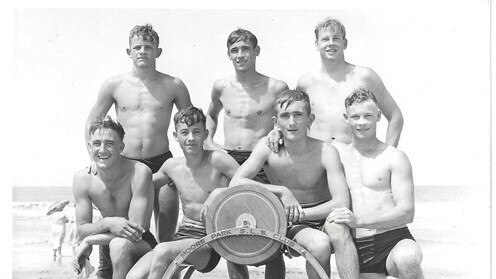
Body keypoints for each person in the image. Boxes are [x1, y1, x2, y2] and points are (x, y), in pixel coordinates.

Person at [230, 89, 360, 279]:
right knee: (320, 244)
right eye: (285, 116)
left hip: (321, 215)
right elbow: (236, 182)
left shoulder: (326, 151)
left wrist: (301, 214)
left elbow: (341, 202)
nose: (292, 122)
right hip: (290, 224)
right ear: (276, 122)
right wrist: (282, 191)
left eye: (299, 114)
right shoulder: (266, 148)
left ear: (310, 119)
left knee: (340, 230)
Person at [84, 24, 192, 242]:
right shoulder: (113, 85)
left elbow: (191, 123)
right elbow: (92, 123)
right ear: (129, 52)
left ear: (158, 52)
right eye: (138, 47)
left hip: (162, 163)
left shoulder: (174, 85)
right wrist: (94, 158)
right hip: (126, 165)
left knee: (166, 236)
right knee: (123, 231)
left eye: (148, 47)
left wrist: (192, 159)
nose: (143, 51)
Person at [205, 28, 289, 278]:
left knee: (271, 227)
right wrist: (209, 140)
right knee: (230, 229)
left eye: (245, 49)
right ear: (229, 55)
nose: (240, 55)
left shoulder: (275, 86)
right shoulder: (221, 86)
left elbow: (290, 115)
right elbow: (210, 114)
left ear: (256, 51)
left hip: (261, 161)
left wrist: (277, 131)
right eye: (234, 51)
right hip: (229, 158)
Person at [126, 107, 240, 279]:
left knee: (162, 250)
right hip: (182, 237)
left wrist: (220, 192)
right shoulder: (171, 167)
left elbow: (248, 185)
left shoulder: (217, 160)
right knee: (134, 276)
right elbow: (141, 185)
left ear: (205, 133)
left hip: (210, 240)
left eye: (196, 132)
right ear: (175, 136)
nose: (191, 138)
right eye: (185, 132)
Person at [328, 87, 423, 278]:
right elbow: (301, 143)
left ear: (378, 116)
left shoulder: (394, 157)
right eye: (355, 117)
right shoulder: (335, 153)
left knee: (407, 259)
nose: (362, 122)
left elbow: (407, 212)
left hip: (394, 240)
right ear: (346, 117)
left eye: (368, 116)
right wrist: (277, 133)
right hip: (357, 249)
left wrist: (359, 221)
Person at [268, 17, 403, 150]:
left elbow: (395, 116)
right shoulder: (306, 83)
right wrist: (277, 131)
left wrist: (388, 155)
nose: (331, 43)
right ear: (317, 44)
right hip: (317, 160)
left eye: (336, 38)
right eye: (325, 39)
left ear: (345, 43)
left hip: (354, 159)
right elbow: (294, 116)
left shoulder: (365, 76)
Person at [72, 116, 157, 279]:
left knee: (119, 244)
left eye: (109, 143)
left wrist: (90, 241)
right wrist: (108, 222)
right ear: (89, 147)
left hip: (141, 246)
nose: (102, 149)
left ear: (121, 147)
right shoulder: (83, 179)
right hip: (106, 246)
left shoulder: (139, 172)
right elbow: (82, 230)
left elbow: (137, 231)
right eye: (97, 143)